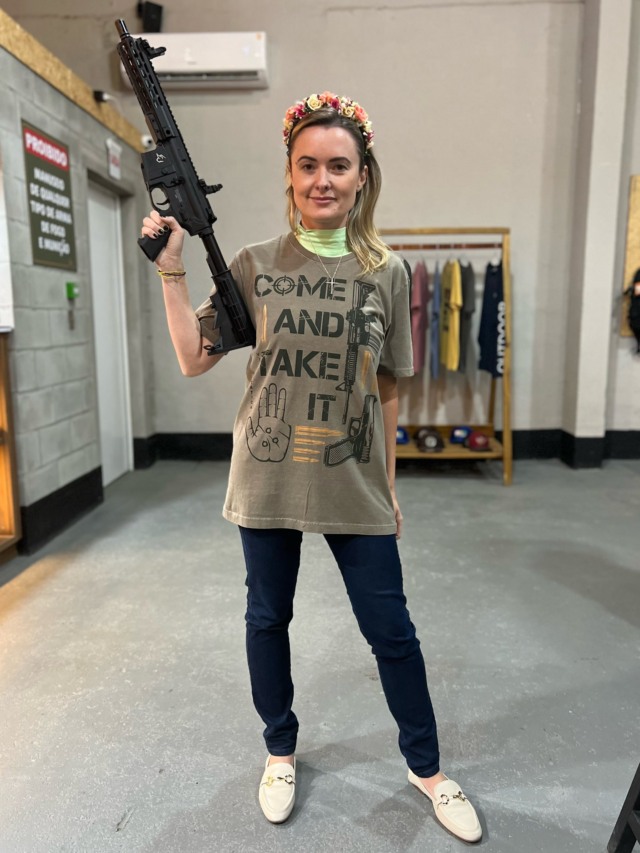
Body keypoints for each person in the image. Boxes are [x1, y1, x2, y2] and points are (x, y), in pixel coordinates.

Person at [140, 91, 482, 843]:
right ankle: (280, 750)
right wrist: (171, 272)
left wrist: (389, 483)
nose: (322, 179)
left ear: (363, 176)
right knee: (268, 618)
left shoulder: (387, 271)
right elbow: (194, 358)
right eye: (308, 165)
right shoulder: (254, 264)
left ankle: (427, 769)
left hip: (352, 476)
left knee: (391, 630)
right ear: (290, 174)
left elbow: (388, 387)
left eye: (338, 166)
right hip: (266, 474)